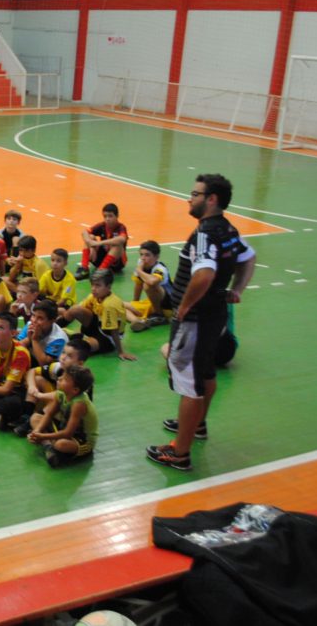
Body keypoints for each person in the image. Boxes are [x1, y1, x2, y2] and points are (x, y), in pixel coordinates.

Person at [147, 174, 256, 471]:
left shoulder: (206, 234)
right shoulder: (228, 229)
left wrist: (183, 307)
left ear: (211, 199)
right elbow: (249, 257)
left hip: (195, 319)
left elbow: (204, 274)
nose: (189, 198)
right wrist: (236, 290)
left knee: (189, 385)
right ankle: (197, 426)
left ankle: (179, 453)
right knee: (205, 372)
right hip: (214, 317)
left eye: (195, 194)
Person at [14, 337, 91, 437]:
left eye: (69, 356)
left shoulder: (82, 379)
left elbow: (62, 396)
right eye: (63, 352)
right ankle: (27, 416)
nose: (63, 357)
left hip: (69, 412)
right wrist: (32, 387)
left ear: (80, 363)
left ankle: (34, 425)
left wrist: (41, 395)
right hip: (56, 404)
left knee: (55, 400)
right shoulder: (58, 367)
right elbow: (31, 371)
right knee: (37, 380)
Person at [27, 365, 97, 468]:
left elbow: (68, 433)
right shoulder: (61, 394)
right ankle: (49, 447)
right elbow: (49, 414)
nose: (59, 378)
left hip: (81, 439)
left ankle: (52, 448)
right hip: (64, 428)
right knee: (35, 418)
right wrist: (36, 432)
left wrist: (42, 436)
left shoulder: (79, 404)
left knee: (60, 444)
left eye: (64, 379)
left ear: (75, 390)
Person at [65, 269, 136, 361]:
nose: (93, 288)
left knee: (79, 348)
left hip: (108, 337)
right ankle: (54, 328)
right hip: (98, 326)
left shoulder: (109, 305)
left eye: (98, 285)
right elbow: (82, 312)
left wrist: (121, 352)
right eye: (92, 285)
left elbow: (113, 331)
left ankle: (76, 340)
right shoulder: (94, 296)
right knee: (74, 309)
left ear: (108, 287)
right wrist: (79, 331)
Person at [126, 240, 173, 332]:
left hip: (169, 306)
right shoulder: (141, 264)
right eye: (141, 254)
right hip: (153, 303)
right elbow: (138, 284)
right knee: (120, 306)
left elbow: (152, 282)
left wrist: (139, 270)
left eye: (147, 255)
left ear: (156, 257)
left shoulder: (160, 268)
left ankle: (159, 315)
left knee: (148, 285)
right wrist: (135, 302)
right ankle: (137, 321)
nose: (143, 258)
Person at [76, 203, 129, 281]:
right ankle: (84, 268)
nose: (107, 219)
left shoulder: (121, 227)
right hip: (101, 258)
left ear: (117, 216)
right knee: (90, 237)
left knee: (117, 245)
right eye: (105, 216)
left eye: (110, 216)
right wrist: (91, 244)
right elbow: (84, 231)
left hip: (117, 263)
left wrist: (98, 243)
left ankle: (100, 271)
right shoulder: (102, 225)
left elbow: (122, 239)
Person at [16, 299, 69, 367]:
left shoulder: (59, 339)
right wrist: (29, 339)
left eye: (40, 318)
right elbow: (16, 348)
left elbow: (44, 365)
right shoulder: (30, 324)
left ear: (52, 321)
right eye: (33, 315)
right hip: (32, 360)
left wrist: (34, 340)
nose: (34, 320)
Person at [38, 248, 77, 319]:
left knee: (65, 315)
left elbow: (63, 301)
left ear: (65, 263)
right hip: (51, 301)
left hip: (64, 304)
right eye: (52, 260)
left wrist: (48, 308)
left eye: (58, 261)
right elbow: (39, 291)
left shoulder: (70, 279)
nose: (55, 263)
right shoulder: (46, 275)